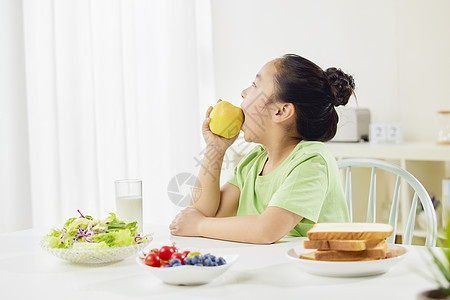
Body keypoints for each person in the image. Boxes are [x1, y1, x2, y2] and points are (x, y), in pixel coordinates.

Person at [169, 54, 355, 244]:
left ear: (281, 111)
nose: (243, 92)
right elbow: (207, 214)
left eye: (255, 85)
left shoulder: (312, 161)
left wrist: (199, 225)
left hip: (316, 269)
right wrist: (215, 149)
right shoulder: (255, 161)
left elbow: (266, 230)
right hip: (272, 266)